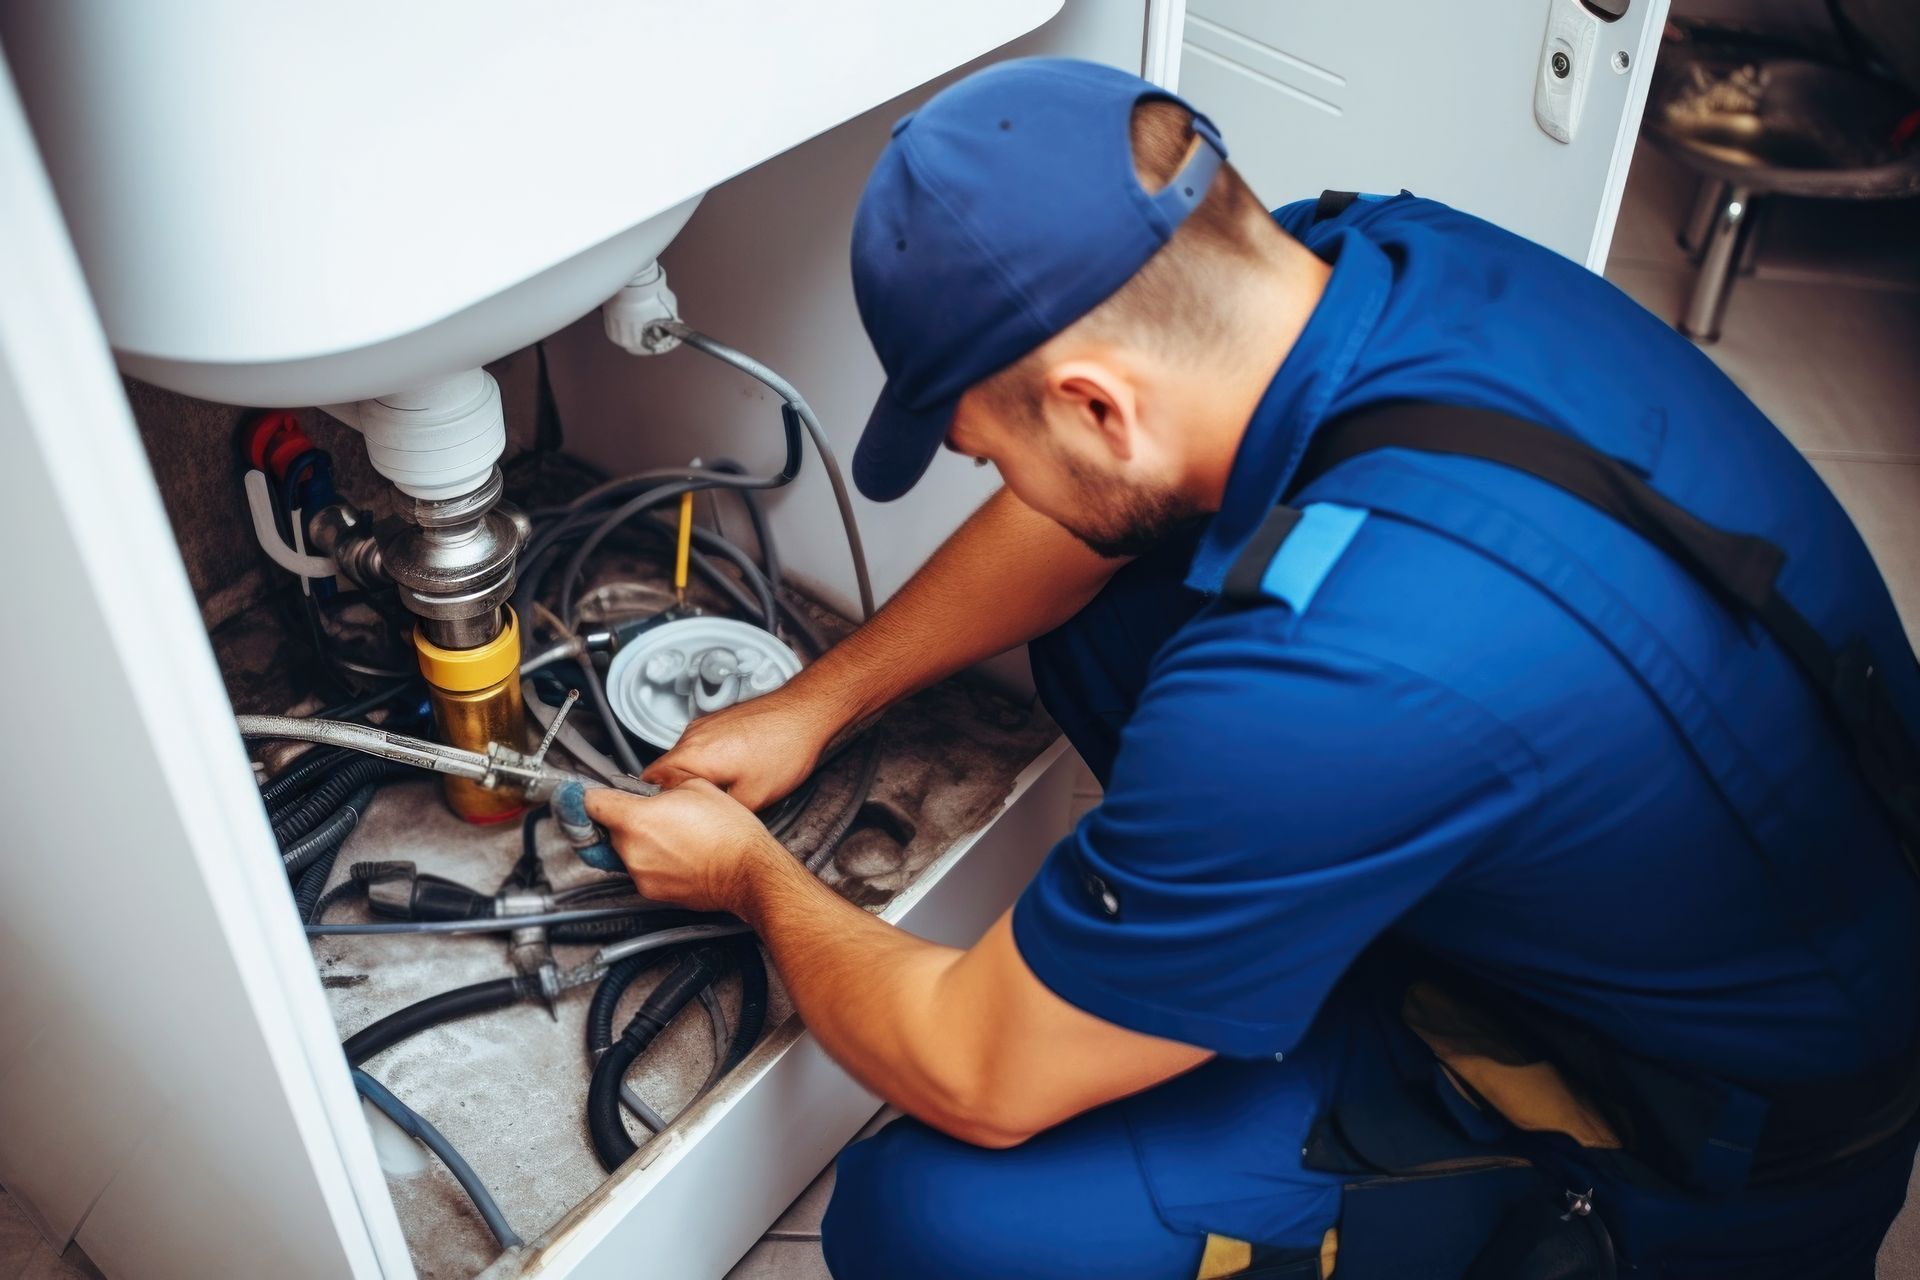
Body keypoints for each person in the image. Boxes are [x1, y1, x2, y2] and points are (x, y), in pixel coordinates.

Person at [585, 57, 1920, 1279]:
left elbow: (977, 1069)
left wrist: (751, 879)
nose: (990, 476)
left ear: (1099, 405)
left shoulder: (1328, 676)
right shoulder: (1367, 256)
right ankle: (1238, 937)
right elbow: (1098, 519)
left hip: (1699, 1145)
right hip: (1755, 909)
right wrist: (818, 702)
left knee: (927, 1220)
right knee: (1113, 618)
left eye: (988, 449)